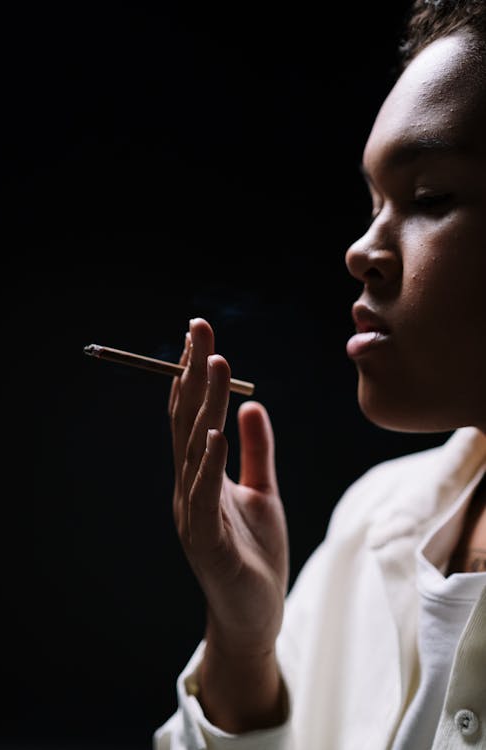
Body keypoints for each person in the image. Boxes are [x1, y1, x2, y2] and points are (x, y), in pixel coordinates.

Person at [153, 0, 486, 747]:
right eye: (372, 204)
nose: (360, 250)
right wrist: (244, 643)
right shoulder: (372, 522)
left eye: (429, 197)